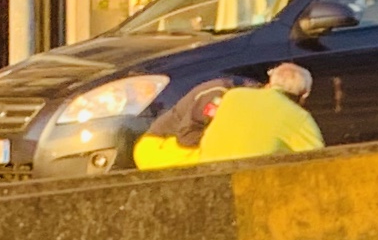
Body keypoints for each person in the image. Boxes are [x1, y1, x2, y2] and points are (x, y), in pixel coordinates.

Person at [197, 63, 325, 163]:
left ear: (269, 83)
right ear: (304, 96)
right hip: (254, 180)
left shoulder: (233, 95)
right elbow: (319, 159)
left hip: (209, 169)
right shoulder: (299, 117)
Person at [132, 76, 250, 170]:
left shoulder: (241, 93)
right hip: (158, 148)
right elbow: (187, 137)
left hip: (180, 145)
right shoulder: (218, 95)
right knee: (222, 157)